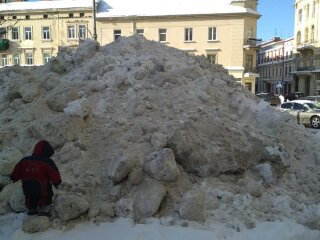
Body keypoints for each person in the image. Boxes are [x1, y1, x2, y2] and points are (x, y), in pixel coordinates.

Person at [11, 140, 62, 216]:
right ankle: (44, 209)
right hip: (42, 192)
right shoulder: (47, 162)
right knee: (46, 192)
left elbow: (15, 173)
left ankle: (31, 208)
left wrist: (13, 178)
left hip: (28, 191)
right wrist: (58, 183)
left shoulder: (24, 161)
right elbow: (55, 176)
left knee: (29, 196)